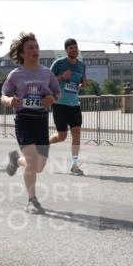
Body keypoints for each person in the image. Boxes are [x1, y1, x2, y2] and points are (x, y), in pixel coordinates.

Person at [1, 32, 60, 215]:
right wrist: (10, 100)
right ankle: (32, 200)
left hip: (41, 121)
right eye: (30, 48)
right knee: (33, 161)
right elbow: (3, 95)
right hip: (24, 120)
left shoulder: (47, 73)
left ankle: (16, 160)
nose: (35, 50)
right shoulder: (15, 75)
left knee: (39, 166)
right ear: (22, 54)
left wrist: (52, 98)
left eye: (36, 47)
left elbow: (57, 94)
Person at [49, 38, 86, 176]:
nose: (74, 50)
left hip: (74, 104)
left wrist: (83, 84)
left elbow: (80, 81)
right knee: (62, 136)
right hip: (60, 104)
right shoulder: (59, 63)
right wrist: (62, 77)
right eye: (71, 48)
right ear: (66, 50)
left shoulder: (82, 65)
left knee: (76, 132)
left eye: (75, 48)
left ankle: (74, 164)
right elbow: (48, 80)